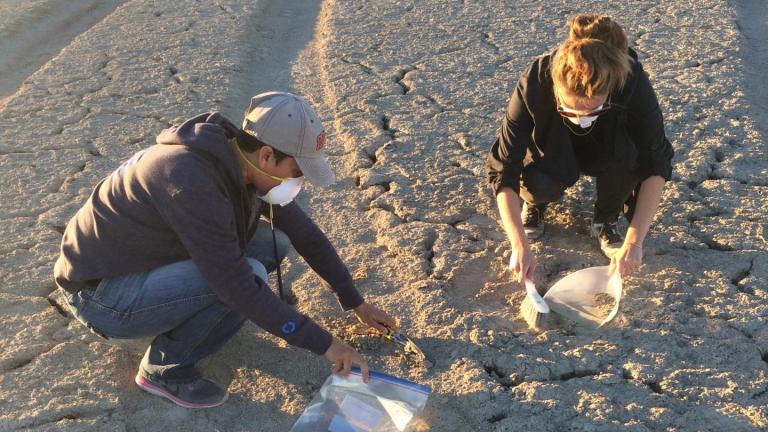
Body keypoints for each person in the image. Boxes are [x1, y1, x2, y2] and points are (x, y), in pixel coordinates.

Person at [54, 92, 397, 409]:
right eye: (297, 172)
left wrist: (355, 301)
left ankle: (191, 316)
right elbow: (237, 287)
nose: (298, 183)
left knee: (272, 244)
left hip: (142, 260)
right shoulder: (190, 179)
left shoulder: (240, 159)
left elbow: (305, 234)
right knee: (248, 278)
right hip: (103, 296)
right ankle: (163, 371)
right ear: (267, 155)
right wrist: (329, 345)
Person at [487, 14, 674, 282]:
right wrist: (518, 244)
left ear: (611, 90)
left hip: (608, 145)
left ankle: (606, 217)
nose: (581, 118)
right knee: (540, 185)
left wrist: (634, 242)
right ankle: (535, 204)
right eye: (569, 109)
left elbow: (656, 160)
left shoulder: (631, 81)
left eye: (593, 110)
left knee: (630, 157)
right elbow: (505, 165)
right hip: (552, 146)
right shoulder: (535, 82)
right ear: (555, 88)